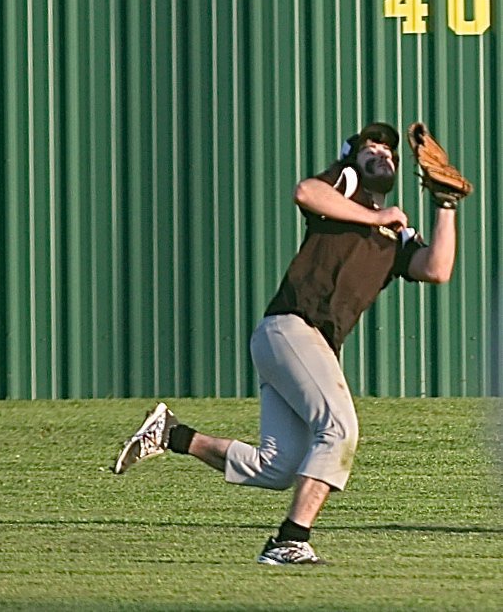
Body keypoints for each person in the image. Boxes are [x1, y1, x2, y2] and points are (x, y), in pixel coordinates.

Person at [111, 122, 464, 565]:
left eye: (390, 152)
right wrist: (375, 214)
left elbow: (437, 268)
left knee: (276, 466)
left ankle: (172, 435)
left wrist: (445, 204)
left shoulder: (395, 235)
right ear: (351, 159)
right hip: (292, 329)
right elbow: (305, 192)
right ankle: (288, 541)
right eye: (370, 148)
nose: (383, 154)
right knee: (340, 429)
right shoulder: (346, 189)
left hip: (300, 345)